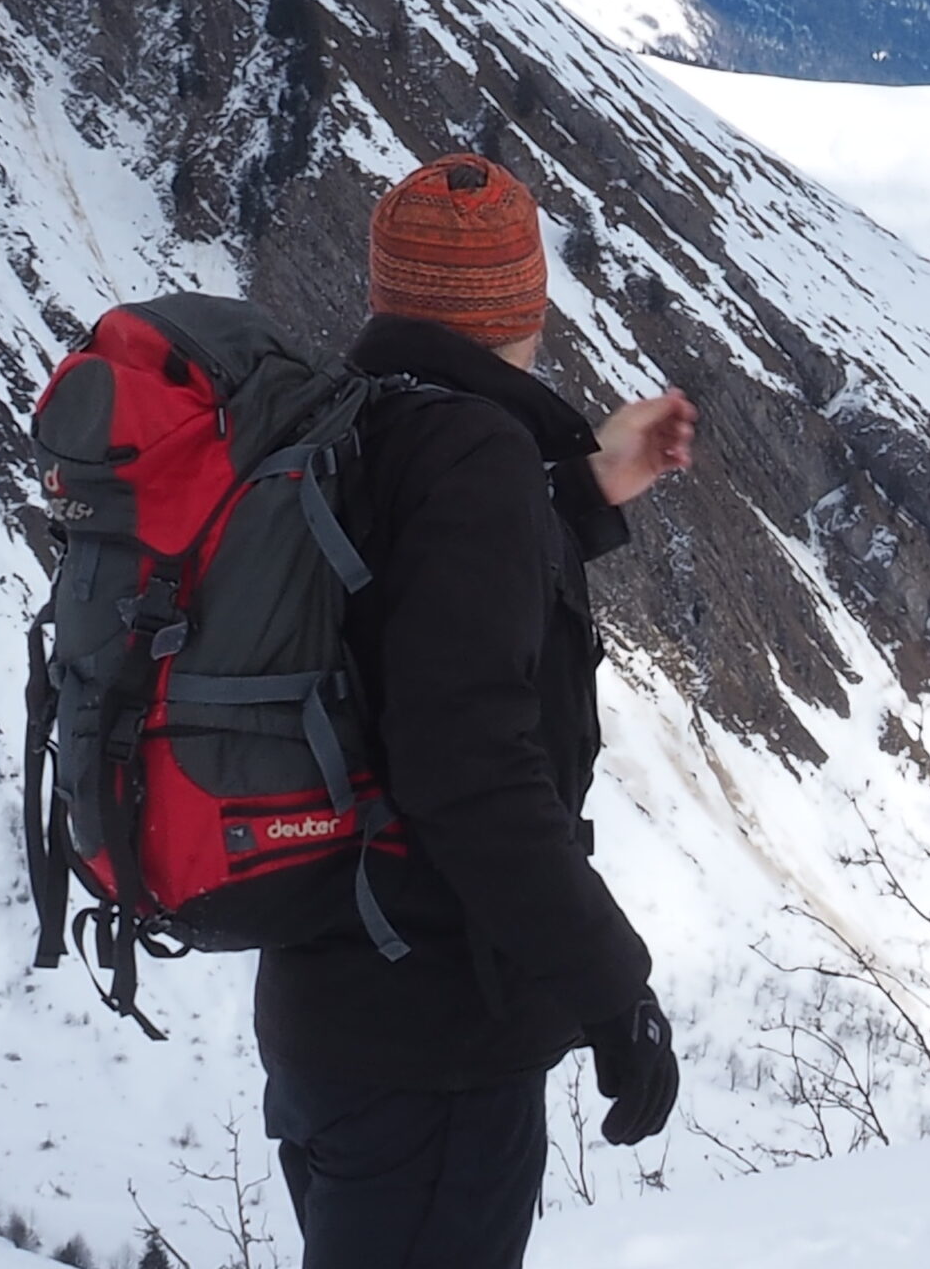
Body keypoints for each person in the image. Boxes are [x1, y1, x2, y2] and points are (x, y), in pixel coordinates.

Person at [254, 154, 698, 1268]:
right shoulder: (476, 459)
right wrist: (613, 993)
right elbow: (469, 767)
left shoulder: (355, 416)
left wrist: (579, 490)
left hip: (332, 1006)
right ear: (522, 302)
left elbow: (392, 612)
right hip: (436, 1036)